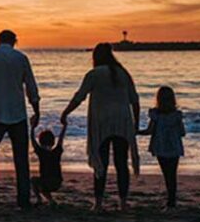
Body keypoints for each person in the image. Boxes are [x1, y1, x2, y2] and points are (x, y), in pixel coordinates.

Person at [60, 43, 140, 212]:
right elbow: (134, 99)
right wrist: (136, 123)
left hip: (101, 123)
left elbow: (79, 97)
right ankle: (123, 202)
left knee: (100, 163)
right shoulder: (123, 73)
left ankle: (98, 203)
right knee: (121, 163)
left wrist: (66, 113)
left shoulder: (94, 74)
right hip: (122, 122)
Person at [0, 29, 40, 210]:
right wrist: (36, 109)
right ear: (15, 41)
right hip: (18, 113)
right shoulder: (21, 58)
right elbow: (31, 86)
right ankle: (23, 200)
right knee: (21, 160)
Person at [138, 86, 185, 210]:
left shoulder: (156, 114)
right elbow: (182, 132)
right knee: (172, 175)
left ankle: (170, 203)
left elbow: (149, 131)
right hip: (174, 147)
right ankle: (172, 202)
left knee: (166, 174)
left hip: (160, 146)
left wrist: (136, 132)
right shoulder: (177, 115)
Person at [30, 123, 66, 206]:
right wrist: (64, 126)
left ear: (41, 142)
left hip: (46, 182)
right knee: (43, 185)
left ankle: (39, 199)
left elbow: (32, 140)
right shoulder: (57, 151)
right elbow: (61, 138)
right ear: (53, 142)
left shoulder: (41, 153)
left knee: (34, 180)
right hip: (57, 182)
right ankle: (51, 201)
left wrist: (32, 128)